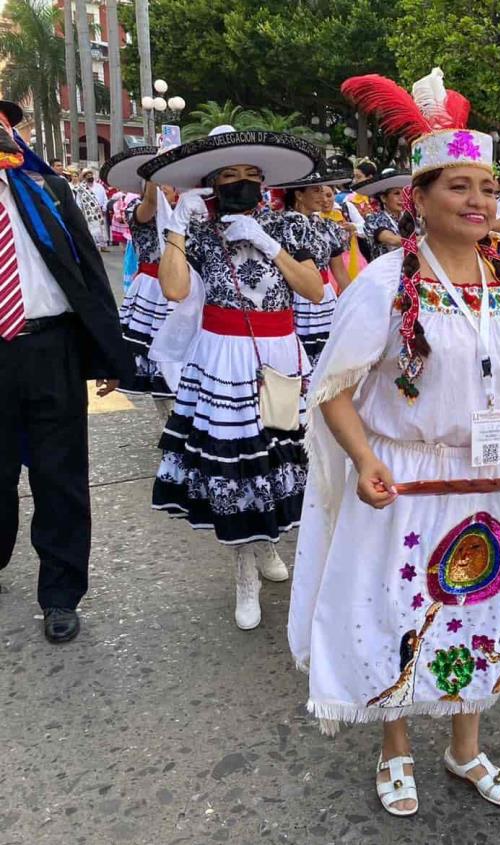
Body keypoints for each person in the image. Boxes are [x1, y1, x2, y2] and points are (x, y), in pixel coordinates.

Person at [294, 67, 500, 817]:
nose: (478, 202)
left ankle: (465, 746)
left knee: (484, 612)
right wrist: (365, 459)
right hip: (404, 477)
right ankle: (393, 744)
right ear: (419, 198)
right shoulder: (386, 282)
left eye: (487, 189)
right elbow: (332, 386)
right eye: (458, 186)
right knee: (395, 608)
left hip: (490, 480)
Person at [140, 125, 325, 631]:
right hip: (223, 357)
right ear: (212, 184)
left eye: (251, 176)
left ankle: (266, 543)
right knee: (238, 463)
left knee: (278, 456)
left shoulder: (288, 227)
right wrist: (176, 229)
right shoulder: (199, 233)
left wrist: (269, 244)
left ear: (265, 183)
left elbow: (312, 290)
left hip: (281, 355)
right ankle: (244, 570)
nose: (241, 184)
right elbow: (175, 291)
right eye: (229, 176)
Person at [0, 100, 133, 643]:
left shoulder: (48, 195)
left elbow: (87, 276)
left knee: (61, 481)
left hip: (51, 348)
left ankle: (60, 594)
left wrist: (106, 356)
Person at [101, 146, 179, 418]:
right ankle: (168, 418)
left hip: (182, 289)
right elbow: (150, 207)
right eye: (159, 183)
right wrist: (155, 175)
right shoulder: (138, 208)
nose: (166, 188)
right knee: (156, 353)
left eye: (170, 182)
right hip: (153, 290)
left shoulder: (185, 211)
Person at [275, 163, 355, 366]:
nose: (323, 196)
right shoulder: (282, 225)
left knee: (327, 357)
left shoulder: (327, 226)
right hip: (294, 295)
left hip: (325, 299)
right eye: (315, 190)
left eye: (324, 190)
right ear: (299, 194)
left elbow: (340, 272)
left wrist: (354, 303)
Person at [356, 168, 411, 261]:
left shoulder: (411, 219)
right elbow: (392, 240)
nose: (403, 198)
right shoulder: (374, 220)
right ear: (383, 198)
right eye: (397, 193)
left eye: (405, 193)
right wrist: (422, 241)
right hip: (385, 272)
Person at [72, 168, 107, 249]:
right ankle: (93, 245)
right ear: (84, 177)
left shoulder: (100, 186)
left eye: (90, 175)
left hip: (100, 212)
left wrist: (104, 208)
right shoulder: (81, 188)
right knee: (92, 229)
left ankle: (102, 246)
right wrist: (80, 212)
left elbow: (105, 198)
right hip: (88, 213)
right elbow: (78, 201)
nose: (89, 176)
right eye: (87, 175)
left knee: (101, 229)